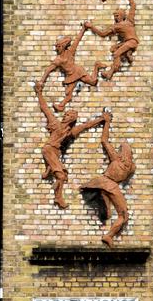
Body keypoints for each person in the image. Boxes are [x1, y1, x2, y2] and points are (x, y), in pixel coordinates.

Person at [35, 81, 108, 209]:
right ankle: (58, 198)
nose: (66, 116)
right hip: (49, 150)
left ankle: (49, 169)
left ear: (72, 120)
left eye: (69, 116)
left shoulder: (71, 132)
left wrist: (102, 119)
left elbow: (86, 125)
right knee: (62, 176)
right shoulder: (55, 124)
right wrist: (39, 92)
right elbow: (45, 109)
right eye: (66, 114)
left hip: (56, 152)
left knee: (61, 172)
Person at [80, 114, 135, 247]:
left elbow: (105, 140)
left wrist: (107, 122)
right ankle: (109, 235)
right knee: (124, 215)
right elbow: (104, 141)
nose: (124, 153)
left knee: (119, 214)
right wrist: (107, 122)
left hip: (105, 184)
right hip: (109, 185)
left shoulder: (124, 163)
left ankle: (105, 203)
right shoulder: (122, 162)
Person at [38, 24, 103, 113]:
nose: (57, 49)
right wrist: (42, 81)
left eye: (59, 47)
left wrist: (83, 29)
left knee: (92, 82)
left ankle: (96, 66)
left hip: (78, 71)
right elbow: (48, 70)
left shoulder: (70, 52)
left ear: (63, 46)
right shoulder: (58, 59)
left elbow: (77, 40)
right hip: (71, 76)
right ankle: (61, 106)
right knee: (69, 93)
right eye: (56, 47)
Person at [84, 0, 138, 80]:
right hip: (130, 42)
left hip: (130, 42)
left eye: (117, 16)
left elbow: (103, 34)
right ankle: (128, 54)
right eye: (115, 16)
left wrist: (91, 26)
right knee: (113, 48)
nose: (115, 18)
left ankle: (110, 73)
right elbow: (133, 5)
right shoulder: (129, 21)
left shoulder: (118, 26)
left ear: (122, 16)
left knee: (116, 54)